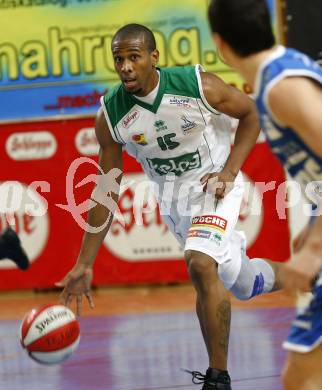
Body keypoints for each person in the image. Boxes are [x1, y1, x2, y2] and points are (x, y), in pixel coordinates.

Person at [56, 24, 284, 390]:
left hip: (217, 189)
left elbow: (252, 114)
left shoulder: (196, 85)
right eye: (119, 59)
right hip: (175, 205)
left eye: (134, 57)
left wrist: (229, 171)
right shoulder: (112, 115)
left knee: (199, 261)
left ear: (153, 57)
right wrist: (84, 263)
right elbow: (106, 190)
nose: (126, 66)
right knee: (241, 282)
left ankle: (217, 378)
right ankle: (307, 278)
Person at [208, 1, 322, 389]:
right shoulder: (279, 74)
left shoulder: (281, 86)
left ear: (219, 43)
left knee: (302, 377)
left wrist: (314, 246)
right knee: (299, 377)